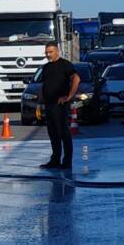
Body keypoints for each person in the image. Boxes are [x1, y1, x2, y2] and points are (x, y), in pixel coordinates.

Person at [39, 41, 80, 170]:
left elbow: (76, 78)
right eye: (46, 52)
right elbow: (44, 85)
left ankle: (67, 161)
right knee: (53, 133)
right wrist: (40, 102)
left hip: (60, 105)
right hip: (49, 104)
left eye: (50, 52)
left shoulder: (65, 65)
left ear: (57, 51)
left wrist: (68, 96)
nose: (48, 54)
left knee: (63, 133)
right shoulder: (46, 67)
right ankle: (55, 160)